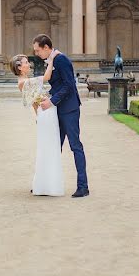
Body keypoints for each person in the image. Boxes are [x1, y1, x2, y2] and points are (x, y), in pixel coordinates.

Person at [33, 34, 88, 197]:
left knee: (75, 146)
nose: (36, 54)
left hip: (69, 109)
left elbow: (69, 85)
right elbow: (58, 85)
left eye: (37, 50)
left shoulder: (61, 60)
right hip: (58, 109)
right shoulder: (52, 60)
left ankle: (83, 186)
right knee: (54, 147)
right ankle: (47, 184)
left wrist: (51, 101)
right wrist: (48, 96)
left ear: (46, 47)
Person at [14, 51, 63, 197]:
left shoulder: (25, 81)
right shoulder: (24, 82)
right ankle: (44, 184)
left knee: (49, 148)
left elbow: (35, 103)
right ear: (19, 67)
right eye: (26, 62)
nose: (29, 64)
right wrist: (51, 59)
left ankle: (45, 184)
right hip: (46, 113)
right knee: (48, 148)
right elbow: (47, 77)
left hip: (44, 113)